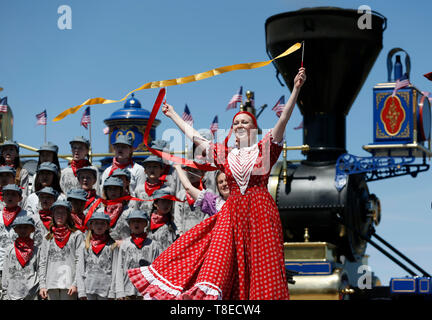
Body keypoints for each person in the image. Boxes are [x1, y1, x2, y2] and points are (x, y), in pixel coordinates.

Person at [128, 67, 306, 300]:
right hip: (232, 214)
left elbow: (283, 118)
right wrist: (173, 116)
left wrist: (296, 88)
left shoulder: (266, 149)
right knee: (216, 262)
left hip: (261, 213)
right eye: (236, 122)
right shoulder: (226, 154)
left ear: (254, 129)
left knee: (263, 269)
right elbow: (196, 138)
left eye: (245, 121)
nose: (240, 124)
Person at [38, 200, 83, 300]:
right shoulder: (47, 236)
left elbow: (80, 260)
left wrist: (76, 283)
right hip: (51, 284)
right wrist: (42, 285)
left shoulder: (76, 235)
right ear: (53, 214)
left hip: (69, 285)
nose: (60, 215)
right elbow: (43, 262)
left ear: (68, 215)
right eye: (57, 212)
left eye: (63, 212)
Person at [115, 210, 161, 300]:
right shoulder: (125, 244)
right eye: (133, 221)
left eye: (139, 221)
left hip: (146, 290)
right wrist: (119, 291)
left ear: (145, 224)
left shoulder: (153, 245)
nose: (136, 224)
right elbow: (120, 268)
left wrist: (155, 290)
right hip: (128, 288)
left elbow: (157, 268)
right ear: (129, 224)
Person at [77, 211, 118, 300]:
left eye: (103, 223)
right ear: (91, 226)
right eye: (96, 223)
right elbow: (80, 269)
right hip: (88, 289)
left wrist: (113, 291)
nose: (99, 226)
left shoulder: (112, 246)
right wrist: (81, 291)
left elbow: (116, 270)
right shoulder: (84, 245)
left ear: (107, 226)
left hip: (106, 290)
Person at [0, 184, 30, 297]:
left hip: (18, 265)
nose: (9, 197)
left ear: (20, 198)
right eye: (7, 194)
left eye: (13, 194)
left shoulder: (27, 215)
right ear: (2, 197)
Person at [1, 215, 39, 300]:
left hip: (32, 293)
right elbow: (6, 270)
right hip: (12, 293)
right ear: (15, 229)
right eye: (20, 227)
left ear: (32, 229)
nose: (23, 230)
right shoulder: (10, 250)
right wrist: (4, 290)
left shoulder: (36, 250)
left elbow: (39, 270)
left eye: (26, 227)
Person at [88, 176, 133, 242]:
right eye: (110, 189)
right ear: (106, 191)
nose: (113, 191)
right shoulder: (99, 212)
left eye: (116, 189)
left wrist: (124, 243)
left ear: (121, 191)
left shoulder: (129, 212)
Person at [172, 158, 208, 236]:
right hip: (184, 237)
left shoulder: (208, 193)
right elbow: (177, 216)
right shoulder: (181, 194)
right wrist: (180, 232)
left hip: (202, 236)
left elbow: (208, 217)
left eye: (195, 171)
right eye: (189, 170)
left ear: (202, 173)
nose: (191, 173)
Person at [148, 187, 178, 252]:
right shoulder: (148, 222)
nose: (166, 205)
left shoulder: (172, 223)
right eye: (163, 202)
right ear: (155, 204)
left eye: (169, 202)